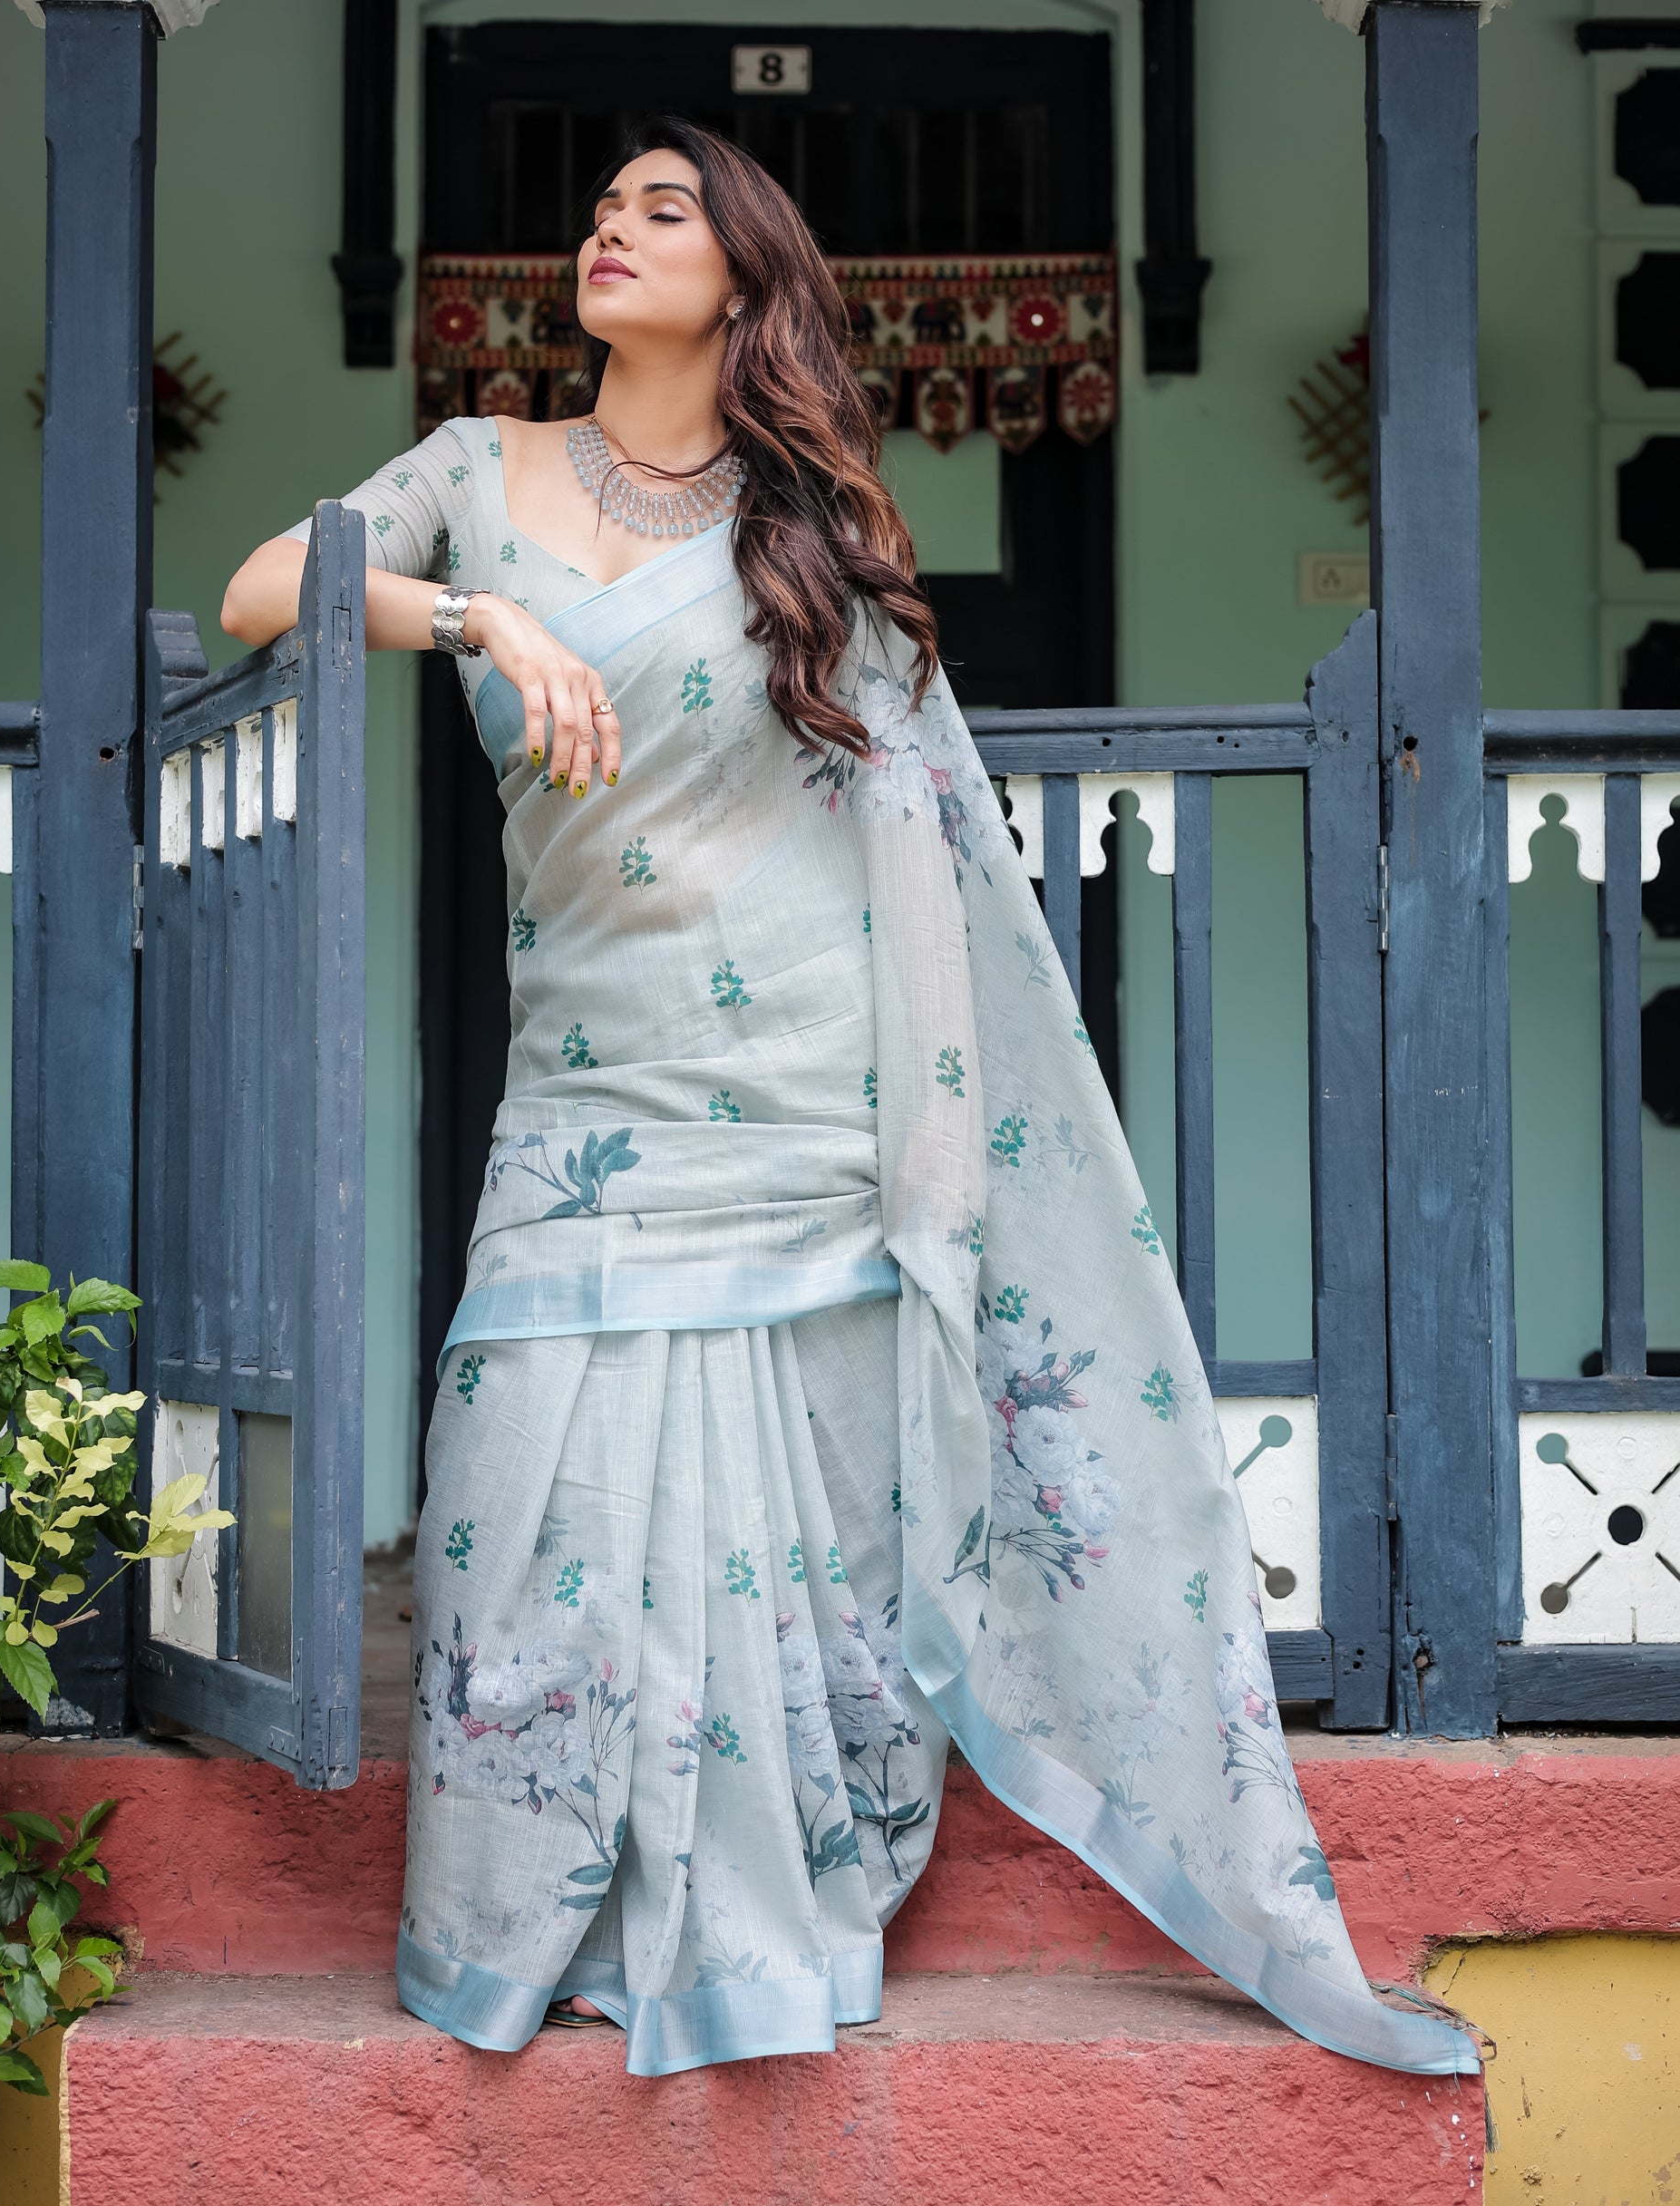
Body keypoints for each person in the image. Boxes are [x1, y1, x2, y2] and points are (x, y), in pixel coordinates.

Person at [223, 118, 1480, 2083]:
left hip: (801, 1089)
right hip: (584, 1087)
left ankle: (746, 1925)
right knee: (524, 1491)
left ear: (743, 277)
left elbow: (907, 835)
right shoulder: (477, 467)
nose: (611, 231)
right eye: (602, 207)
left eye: (662, 211)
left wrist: (933, 1144)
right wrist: (481, 615)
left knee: (790, 1539)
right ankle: (528, 1913)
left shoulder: (807, 528)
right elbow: (259, 589)